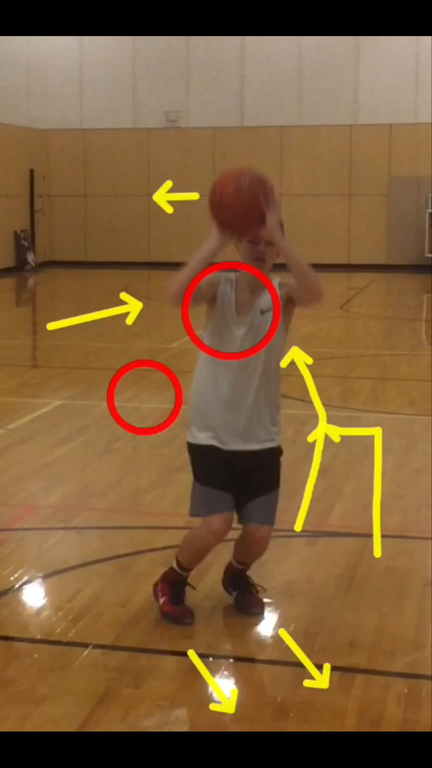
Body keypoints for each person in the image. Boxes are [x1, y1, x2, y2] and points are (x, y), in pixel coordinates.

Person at [153, 197, 323, 624]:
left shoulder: (282, 294)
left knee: (259, 533)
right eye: (252, 241)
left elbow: (315, 293)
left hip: (260, 434)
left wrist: (281, 237)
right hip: (211, 431)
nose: (261, 249)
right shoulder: (220, 284)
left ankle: (237, 575)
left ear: (277, 249)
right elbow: (175, 295)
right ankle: (172, 580)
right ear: (238, 246)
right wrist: (216, 238)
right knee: (216, 524)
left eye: (269, 243)